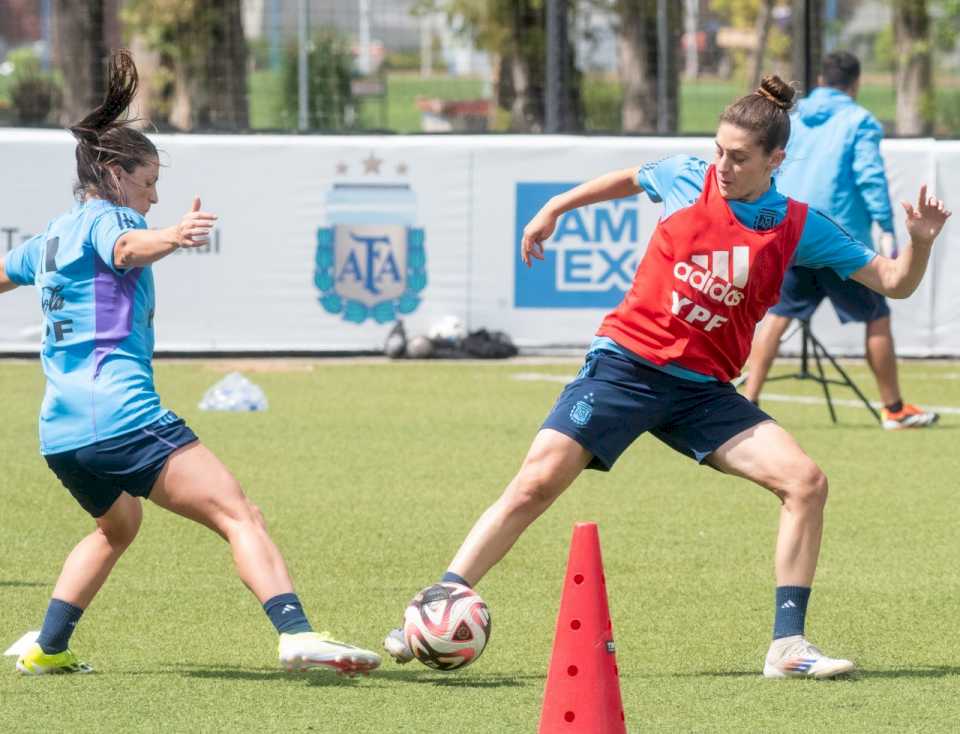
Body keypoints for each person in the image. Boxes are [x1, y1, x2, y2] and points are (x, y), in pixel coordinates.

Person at [383, 76, 951, 679]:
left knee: (806, 482)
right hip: (625, 365)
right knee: (534, 485)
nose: (723, 166)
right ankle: (434, 606)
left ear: (775, 161)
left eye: (739, 157)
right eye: (718, 151)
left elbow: (893, 281)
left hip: (703, 393)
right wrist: (553, 208)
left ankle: (788, 647)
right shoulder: (686, 176)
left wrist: (918, 244)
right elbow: (629, 179)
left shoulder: (799, 226)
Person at [1, 50, 380, 677]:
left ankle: (48, 646)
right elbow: (125, 245)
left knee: (117, 528)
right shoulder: (111, 218)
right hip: (118, 415)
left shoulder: (48, 238)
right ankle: (296, 634)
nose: (152, 199)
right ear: (117, 176)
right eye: (148, 184)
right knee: (239, 514)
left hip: (60, 433)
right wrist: (171, 237)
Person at [742, 51, 938, 430]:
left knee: (779, 316)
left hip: (792, 230)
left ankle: (748, 400)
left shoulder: (792, 118)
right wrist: (885, 225)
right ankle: (894, 409)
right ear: (856, 83)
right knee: (877, 316)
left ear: (819, 78)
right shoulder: (859, 121)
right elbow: (868, 176)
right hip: (837, 239)